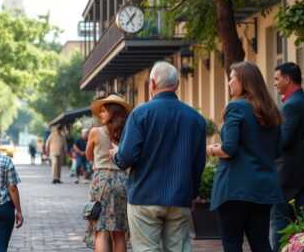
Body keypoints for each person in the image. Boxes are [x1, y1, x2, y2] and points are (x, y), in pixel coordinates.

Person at [112, 61, 207, 252]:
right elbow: (199, 163)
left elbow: (126, 158)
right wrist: (191, 192)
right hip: (180, 196)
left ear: (152, 84)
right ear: (177, 85)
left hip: (144, 196)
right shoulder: (195, 119)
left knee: (146, 249)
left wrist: (116, 154)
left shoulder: (140, 114)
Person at [207, 61, 284, 252]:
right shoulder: (271, 110)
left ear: (244, 81)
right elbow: (277, 150)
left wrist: (210, 149)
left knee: (232, 244)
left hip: (235, 189)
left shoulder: (236, 107)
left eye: (232, 78)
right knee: (261, 243)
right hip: (263, 187)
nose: (229, 83)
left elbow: (229, 149)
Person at [270, 62, 304, 252]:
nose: (274, 83)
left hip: (286, 175)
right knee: (301, 223)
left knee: (279, 221)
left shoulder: (291, 106)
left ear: (287, 79)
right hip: (303, 172)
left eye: (277, 78)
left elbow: (283, 142)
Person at [85, 94, 131, 252]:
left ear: (112, 112)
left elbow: (89, 156)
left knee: (101, 230)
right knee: (119, 232)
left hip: (102, 181)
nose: (101, 114)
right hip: (123, 180)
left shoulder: (95, 132)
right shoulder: (127, 133)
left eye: (104, 111)